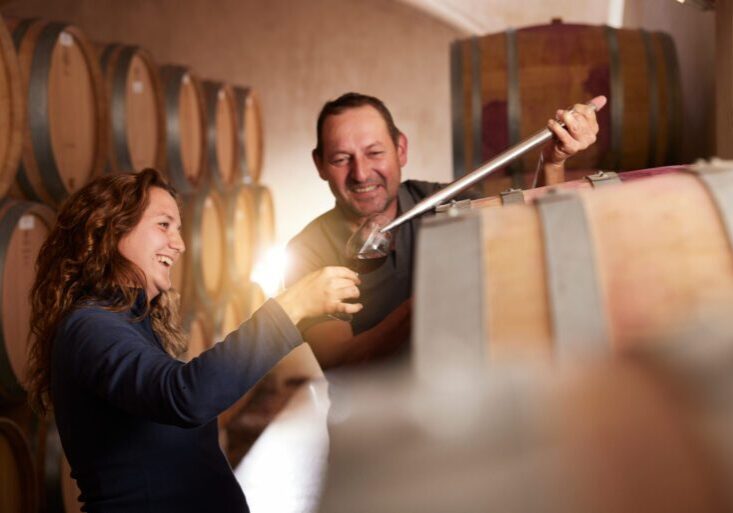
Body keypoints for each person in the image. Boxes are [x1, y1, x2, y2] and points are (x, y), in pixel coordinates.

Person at [25, 169, 362, 513]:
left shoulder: (130, 323)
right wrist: (290, 307)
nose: (180, 243)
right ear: (113, 229)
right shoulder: (90, 326)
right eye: (163, 225)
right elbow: (186, 396)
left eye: (179, 228)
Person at [285, 92, 604, 369]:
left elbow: (531, 238)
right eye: (342, 159)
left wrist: (553, 161)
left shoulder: (444, 202)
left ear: (401, 150)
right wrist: (433, 296)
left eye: (375, 153)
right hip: (374, 424)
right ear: (320, 165)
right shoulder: (308, 251)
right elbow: (343, 362)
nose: (361, 173)